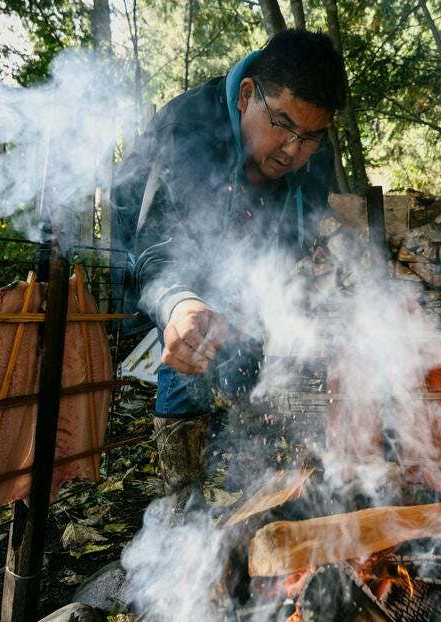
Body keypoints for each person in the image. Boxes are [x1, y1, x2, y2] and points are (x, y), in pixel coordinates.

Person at [111, 29, 346, 498]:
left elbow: (304, 236)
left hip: (244, 241)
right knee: (194, 341)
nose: (292, 150)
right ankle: (185, 500)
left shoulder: (312, 152)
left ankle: (248, 475)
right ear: (246, 96)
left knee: (249, 337)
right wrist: (178, 302)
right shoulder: (188, 130)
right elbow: (161, 243)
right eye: (282, 124)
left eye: (310, 136)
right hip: (158, 246)